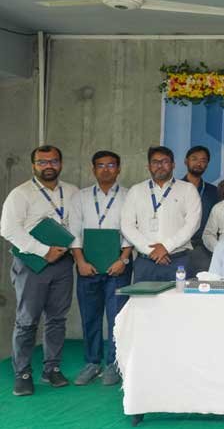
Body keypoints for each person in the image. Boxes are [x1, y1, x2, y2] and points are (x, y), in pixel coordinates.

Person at [1, 145, 79, 395]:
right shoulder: (20, 194)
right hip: (32, 264)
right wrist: (43, 250)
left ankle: (52, 369)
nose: (48, 166)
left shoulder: (72, 191)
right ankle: (23, 373)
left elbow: (77, 225)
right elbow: (8, 229)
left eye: (53, 161)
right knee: (27, 321)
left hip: (63, 263)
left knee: (57, 319)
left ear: (61, 163)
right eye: (42, 162)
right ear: (33, 165)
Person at [67, 151, 132, 387]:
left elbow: (131, 229)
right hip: (88, 266)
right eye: (101, 165)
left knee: (117, 318)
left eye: (111, 165)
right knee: (90, 317)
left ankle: (114, 364)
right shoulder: (81, 197)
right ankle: (92, 363)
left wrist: (123, 259)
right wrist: (80, 262)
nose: (106, 169)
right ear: (93, 169)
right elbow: (73, 230)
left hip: (118, 265)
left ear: (119, 169)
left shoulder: (129, 196)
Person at [120, 146, 202, 281]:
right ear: (148, 166)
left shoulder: (188, 189)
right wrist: (151, 250)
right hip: (146, 262)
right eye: (155, 162)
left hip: (178, 260)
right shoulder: (136, 191)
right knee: (142, 296)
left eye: (165, 161)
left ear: (173, 165)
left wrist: (166, 247)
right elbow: (127, 225)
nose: (160, 166)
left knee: (178, 296)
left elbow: (193, 224)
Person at [182, 146, 218, 277]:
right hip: (178, 248)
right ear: (186, 161)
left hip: (203, 249)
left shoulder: (213, 191)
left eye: (203, 160)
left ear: (207, 164)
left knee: (203, 285)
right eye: (194, 159)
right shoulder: (174, 188)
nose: (198, 163)